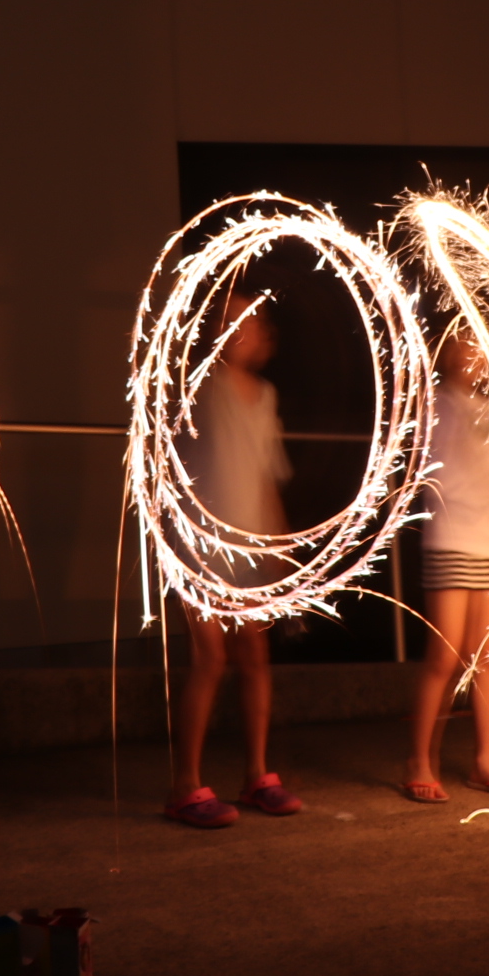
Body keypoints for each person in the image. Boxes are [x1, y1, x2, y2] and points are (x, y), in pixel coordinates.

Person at [165, 291, 305, 828]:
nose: (234, 329)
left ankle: (257, 775)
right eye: (224, 321)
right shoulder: (201, 386)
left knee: (254, 658)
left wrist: (280, 546)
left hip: (249, 548)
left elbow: (266, 477)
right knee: (210, 658)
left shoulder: (264, 396)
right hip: (199, 548)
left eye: (244, 321)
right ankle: (184, 784)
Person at [401, 329, 489, 804]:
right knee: (446, 656)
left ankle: (484, 762)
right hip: (453, 539)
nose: (472, 354)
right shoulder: (436, 403)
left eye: (480, 346)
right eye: (462, 344)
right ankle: (419, 760)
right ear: (446, 351)